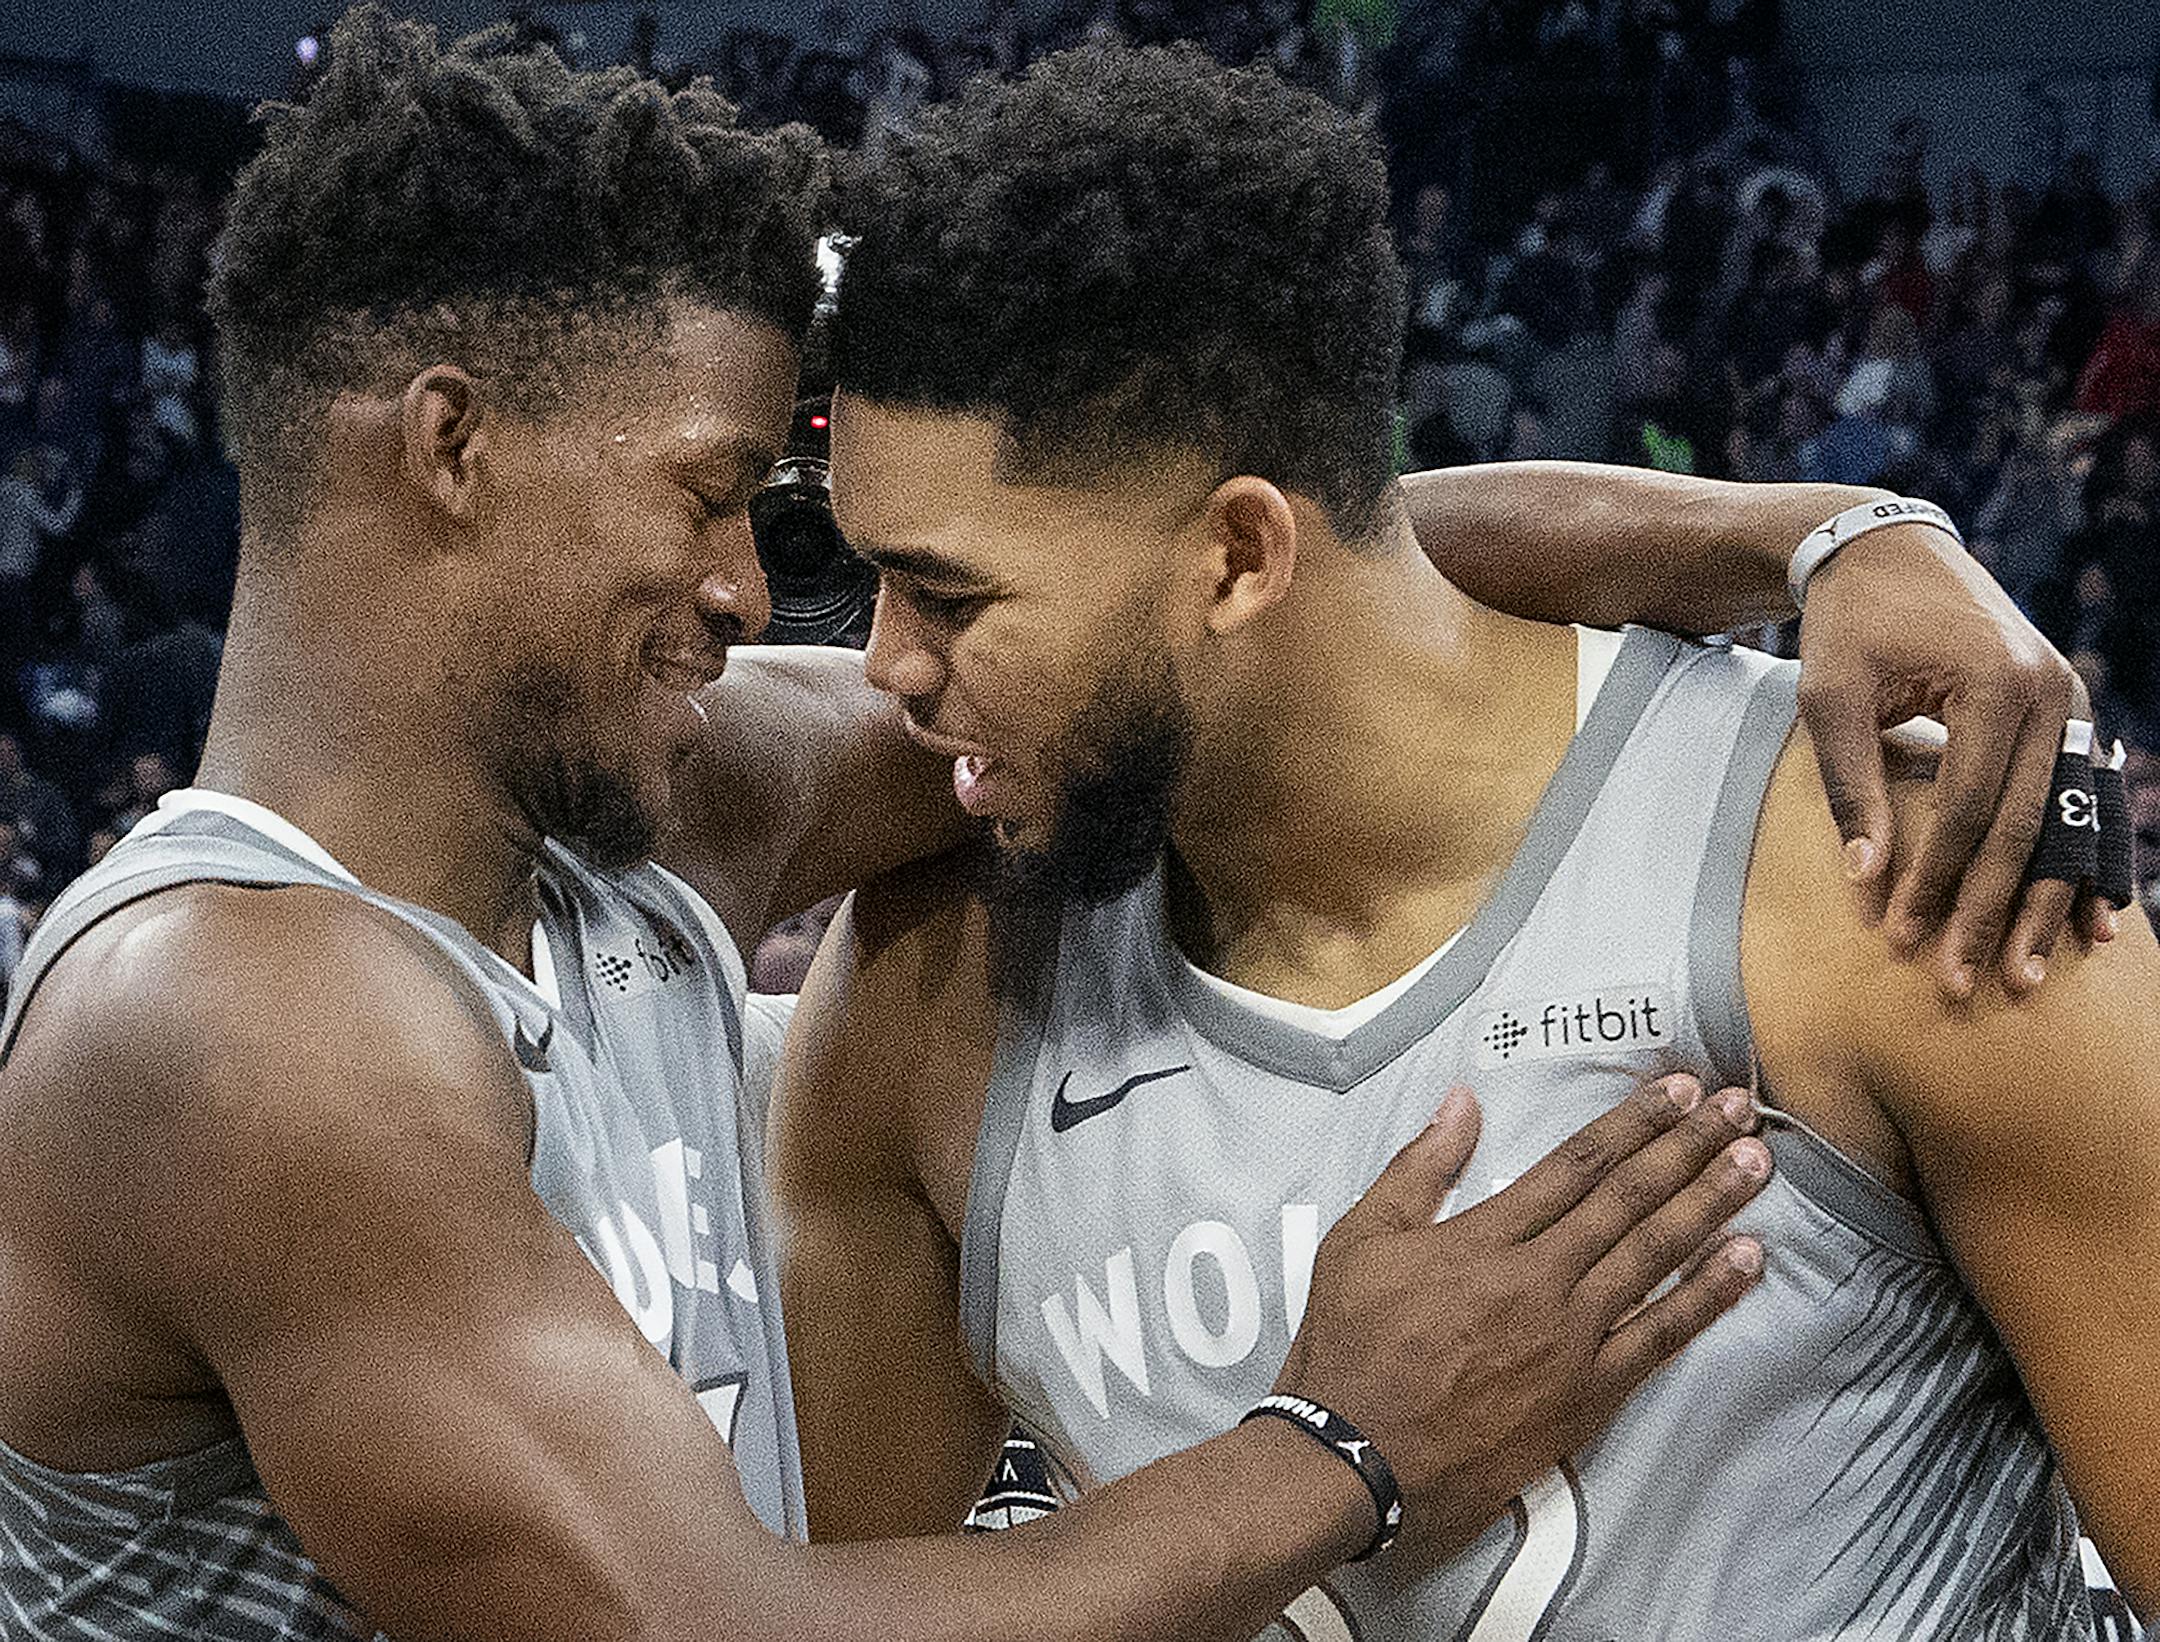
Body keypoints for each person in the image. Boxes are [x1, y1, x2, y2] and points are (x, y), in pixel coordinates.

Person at [0, 14, 2107, 1641]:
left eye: (815, 533)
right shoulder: (226, 1016)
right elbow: (693, 1624)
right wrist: (1346, 1443)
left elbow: (1270, 597)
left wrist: (1834, 535)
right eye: (712, 490)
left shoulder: (663, 819)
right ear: (449, 444)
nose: (761, 595)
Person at [774, 42, 2156, 1640]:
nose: (880, 664)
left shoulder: (1890, 867)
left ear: (1236, 556)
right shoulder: (915, 1000)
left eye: (947, 594)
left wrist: (1847, 522)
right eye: (865, 576)